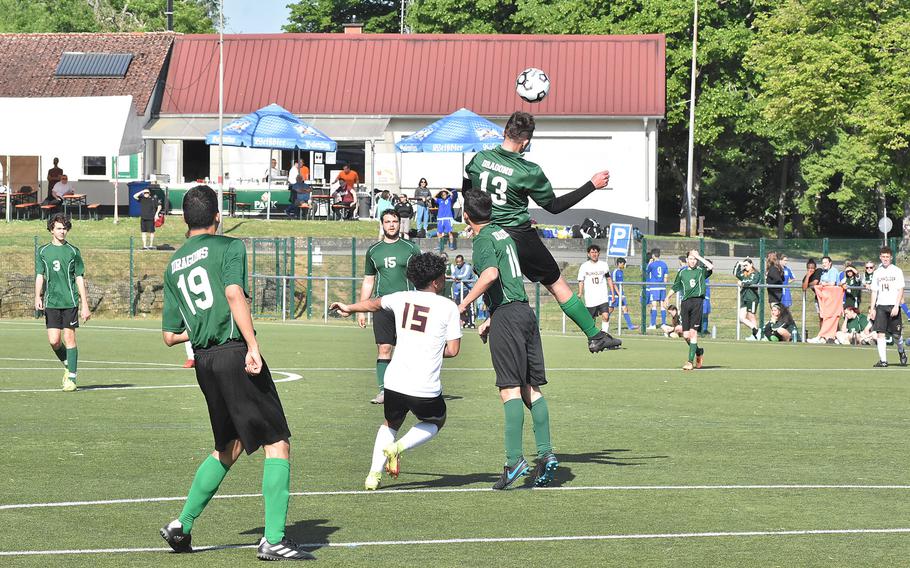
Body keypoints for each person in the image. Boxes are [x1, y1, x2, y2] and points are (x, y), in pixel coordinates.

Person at [158, 185, 312, 561]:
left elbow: (168, 336)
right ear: (216, 216)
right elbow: (232, 294)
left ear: (183, 218)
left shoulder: (173, 265)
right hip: (232, 353)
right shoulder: (229, 247)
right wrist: (253, 346)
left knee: (228, 447)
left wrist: (197, 330)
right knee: (278, 442)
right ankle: (273, 538)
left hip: (205, 363)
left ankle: (182, 525)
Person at [462, 110, 619, 353]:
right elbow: (554, 207)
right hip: (518, 235)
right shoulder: (528, 171)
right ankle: (594, 335)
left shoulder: (479, 159)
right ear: (525, 142)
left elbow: (467, 189)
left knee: (500, 286)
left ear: (504, 132)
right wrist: (591, 185)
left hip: (488, 234)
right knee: (557, 284)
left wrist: (475, 221)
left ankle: (491, 321)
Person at [331, 253, 461, 490]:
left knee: (390, 423)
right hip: (424, 385)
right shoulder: (448, 306)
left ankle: (373, 476)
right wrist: (430, 348)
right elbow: (452, 350)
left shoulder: (400, 298)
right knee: (436, 420)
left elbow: (373, 304)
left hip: (394, 381)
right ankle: (398, 448)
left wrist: (349, 308)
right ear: (436, 281)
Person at [456, 190, 559, 489]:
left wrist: (463, 305)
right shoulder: (503, 234)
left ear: (466, 216)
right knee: (532, 388)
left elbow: (489, 275)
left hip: (510, 319)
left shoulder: (483, 239)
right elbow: (507, 281)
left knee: (509, 390)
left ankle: (514, 461)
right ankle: (546, 453)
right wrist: (491, 317)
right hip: (523, 313)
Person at [360, 209, 423, 404]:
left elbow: (421, 276)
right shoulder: (373, 251)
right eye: (387, 221)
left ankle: (412, 390)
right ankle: (384, 391)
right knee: (384, 347)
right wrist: (362, 309)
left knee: (410, 349)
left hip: (407, 306)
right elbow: (368, 281)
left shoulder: (411, 248)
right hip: (382, 306)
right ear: (382, 224)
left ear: (399, 223)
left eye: (395, 221)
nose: (392, 225)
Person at [35, 213, 91, 392]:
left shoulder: (73, 251)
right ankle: (68, 363)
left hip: (70, 301)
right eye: (59, 228)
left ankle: (72, 378)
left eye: (65, 228)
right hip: (52, 302)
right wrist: (37, 296)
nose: (62, 231)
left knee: (69, 338)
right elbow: (39, 275)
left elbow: (79, 278)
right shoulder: (43, 251)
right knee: (54, 341)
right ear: (51, 229)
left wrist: (85, 304)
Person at [663, 249, 713, 369]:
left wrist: (699, 256)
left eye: (694, 259)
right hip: (685, 303)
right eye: (691, 258)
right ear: (687, 260)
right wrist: (667, 297)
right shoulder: (682, 273)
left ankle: (690, 362)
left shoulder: (701, 271)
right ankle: (698, 352)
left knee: (693, 333)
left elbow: (710, 266)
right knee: (685, 335)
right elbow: (675, 286)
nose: (693, 261)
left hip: (697, 302)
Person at [869, 246, 907, 367]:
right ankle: (883, 360)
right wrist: (872, 308)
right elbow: (874, 291)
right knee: (880, 333)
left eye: (887, 257)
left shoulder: (897, 271)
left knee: (896, 335)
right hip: (881, 306)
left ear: (891, 257)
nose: (885, 259)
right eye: (883, 257)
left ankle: (901, 351)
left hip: (893, 306)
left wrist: (896, 306)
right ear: (880, 257)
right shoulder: (877, 272)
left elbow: (901, 289)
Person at [577, 244, 613, 333]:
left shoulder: (604, 265)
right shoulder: (584, 266)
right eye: (592, 252)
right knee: (591, 320)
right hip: (590, 297)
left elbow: (609, 278)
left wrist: (612, 293)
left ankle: (605, 336)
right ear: (588, 254)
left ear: (599, 254)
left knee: (606, 316)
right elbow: (581, 281)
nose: (594, 254)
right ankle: (593, 337)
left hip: (602, 296)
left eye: (596, 252)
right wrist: (580, 293)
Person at [735, 258, 761, 340]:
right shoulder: (743, 273)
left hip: (752, 297)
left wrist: (742, 283)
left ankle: (755, 336)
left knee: (751, 316)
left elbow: (753, 281)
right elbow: (735, 273)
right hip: (744, 298)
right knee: (741, 317)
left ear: (751, 264)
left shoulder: (756, 273)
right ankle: (756, 331)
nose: (745, 267)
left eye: (747, 265)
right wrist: (739, 264)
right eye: (744, 265)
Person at [610, 257, 638, 330]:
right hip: (615, 294)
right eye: (623, 264)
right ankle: (605, 325)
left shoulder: (621, 272)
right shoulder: (615, 272)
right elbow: (614, 284)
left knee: (625, 308)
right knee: (610, 309)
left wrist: (622, 292)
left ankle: (630, 326)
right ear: (619, 263)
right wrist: (619, 294)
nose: (624, 265)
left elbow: (621, 284)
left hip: (621, 294)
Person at [645, 249, 669, 329]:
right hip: (662, 287)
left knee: (654, 305)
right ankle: (663, 324)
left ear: (653, 255)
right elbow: (666, 277)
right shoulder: (664, 264)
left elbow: (646, 272)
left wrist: (649, 263)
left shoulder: (652, 265)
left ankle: (653, 324)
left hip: (654, 287)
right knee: (662, 306)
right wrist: (664, 286)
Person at [451, 254, 477, 328]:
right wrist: (455, 278)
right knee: (459, 306)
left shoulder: (467, 267)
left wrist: (457, 277)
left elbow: (465, 276)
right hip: (459, 290)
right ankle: (465, 321)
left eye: (459, 262)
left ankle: (472, 323)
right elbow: (453, 276)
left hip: (467, 289)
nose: (458, 263)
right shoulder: (456, 268)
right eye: (457, 262)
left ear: (463, 261)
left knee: (469, 306)